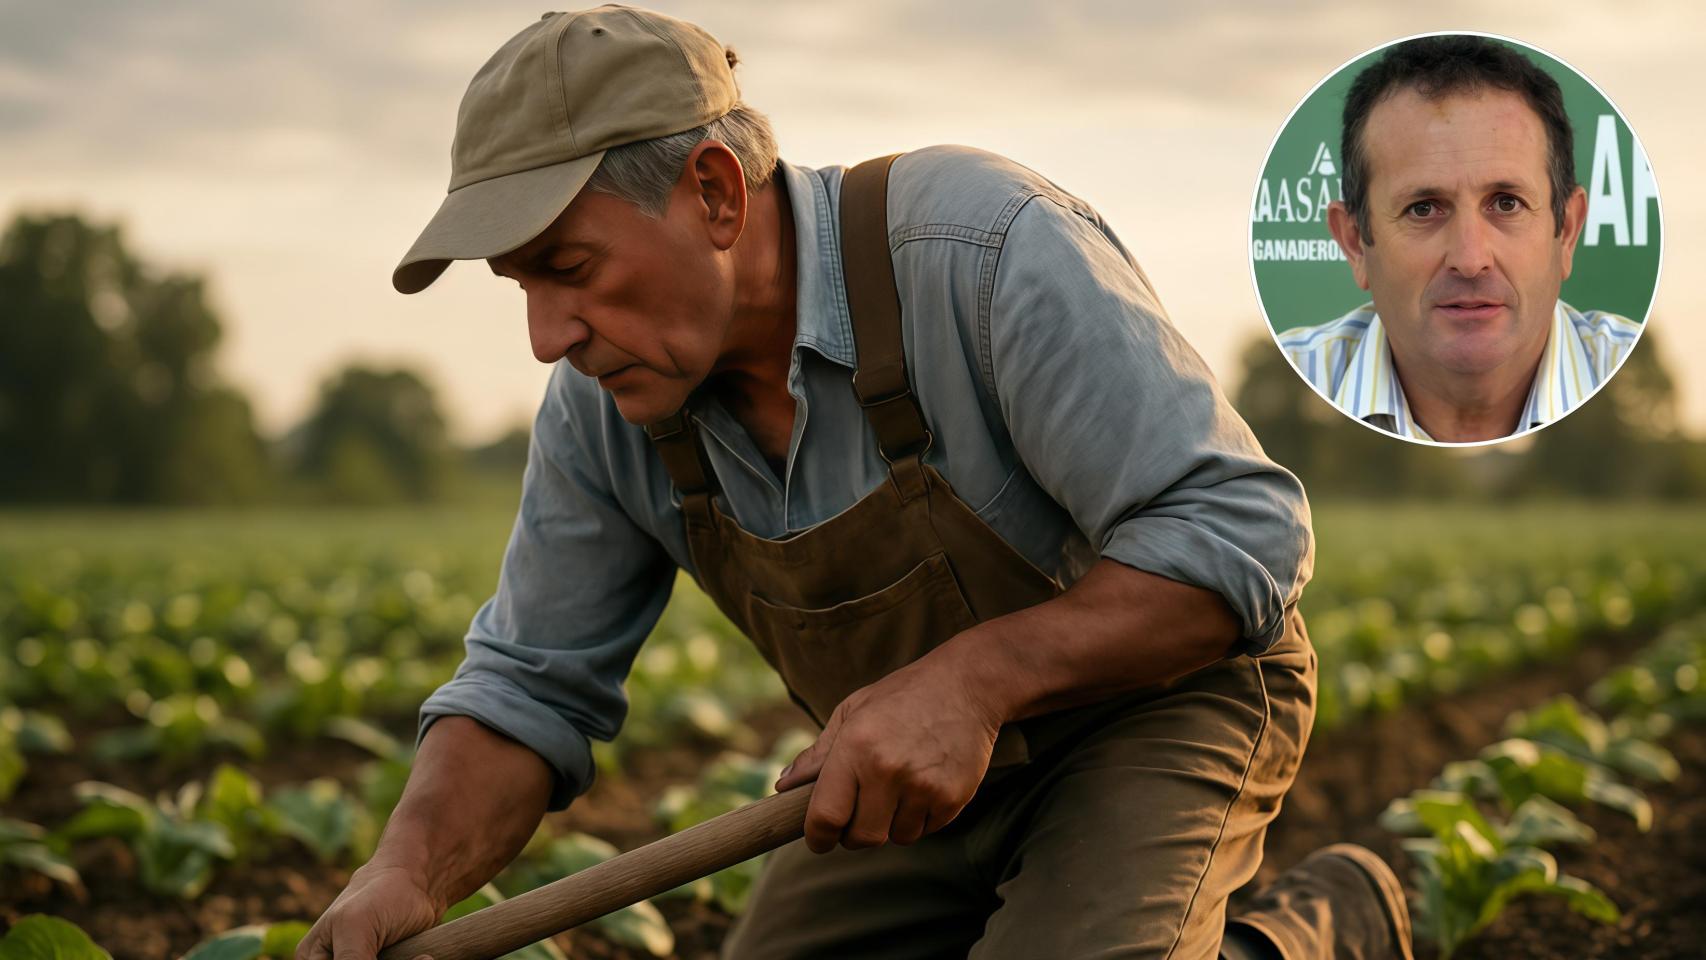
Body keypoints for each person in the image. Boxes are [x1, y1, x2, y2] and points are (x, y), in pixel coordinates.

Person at [300, 7, 1411, 959]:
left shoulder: (979, 249)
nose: (547, 336)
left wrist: (971, 682)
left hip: (1158, 709)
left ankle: (1310, 934)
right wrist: (406, 870)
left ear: (715, 196)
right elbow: (528, 689)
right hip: (903, 785)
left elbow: (1240, 532)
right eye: (519, 287)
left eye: (570, 269)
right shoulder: (606, 410)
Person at [1278, 35, 1643, 444]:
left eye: (1506, 204)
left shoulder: (1636, 382)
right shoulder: (1281, 390)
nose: (1470, 260)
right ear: (1354, 242)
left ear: (1568, 231)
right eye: (1423, 208)